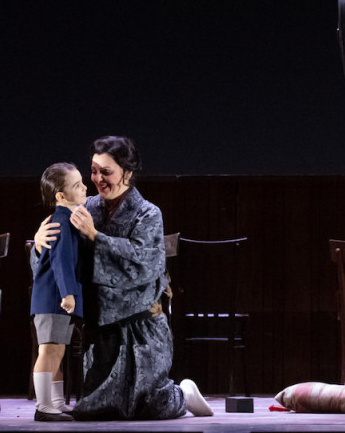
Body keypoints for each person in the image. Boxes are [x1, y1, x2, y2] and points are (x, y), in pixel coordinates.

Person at [32, 136, 211, 420]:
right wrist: (41, 244)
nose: (97, 179)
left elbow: (146, 264)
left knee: (151, 406)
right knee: (95, 410)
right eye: (93, 170)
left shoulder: (148, 213)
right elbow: (57, 262)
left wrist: (96, 237)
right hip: (101, 329)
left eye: (106, 172)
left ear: (127, 173)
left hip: (141, 329)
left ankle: (181, 394)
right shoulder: (83, 208)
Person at [30, 163, 86, 421]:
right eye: (77, 185)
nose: (84, 188)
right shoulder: (60, 221)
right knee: (49, 350)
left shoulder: (69, 219)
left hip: (59, 297)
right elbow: (61, 262)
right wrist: (68, 293)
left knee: (58, 350)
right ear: (60, 196)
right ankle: (43, 406)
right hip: (54, 297)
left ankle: (56, 402)